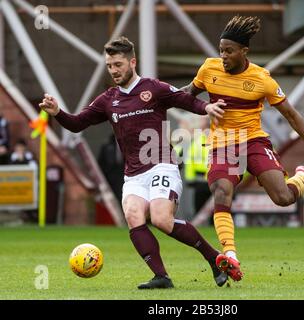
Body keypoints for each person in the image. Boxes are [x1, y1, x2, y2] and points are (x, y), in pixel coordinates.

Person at [39, 36, 229, 289]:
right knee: (133, 215)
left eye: (118, 64)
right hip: (134, 175)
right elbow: (77, 124)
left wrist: (207, 108)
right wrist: (57, 113)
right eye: (109, 66)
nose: (113, 70)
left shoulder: (154, 88)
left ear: (132, 62)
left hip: (162, 164)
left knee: (161, 219)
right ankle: (161, 277)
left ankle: (213, 258)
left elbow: (185, 100)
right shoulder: (108, 99)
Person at [181, 16, 304, 281]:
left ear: (244, 52)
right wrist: (158, 97)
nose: (223, 57)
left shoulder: (262, 79)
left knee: (283, 198)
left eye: (229, 51)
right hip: (222, 145)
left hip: (253, 141)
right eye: (221, 50)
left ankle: (301, 176)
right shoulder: (209, 69)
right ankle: (230, 256)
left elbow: (291, 114)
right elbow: (187, 92)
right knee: (221, 193)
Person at [184, 117, 212, 217]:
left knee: (216, 211)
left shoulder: (221, 139)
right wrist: (190, 179)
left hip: (216, 179)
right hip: (200, 181)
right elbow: (190, 161)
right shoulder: (197, 142)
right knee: (199, 210)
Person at [97, 133, 125, 202]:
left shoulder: (129, 144)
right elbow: (101, 166)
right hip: (111, 181)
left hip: (126, 178)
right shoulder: (107, 147)